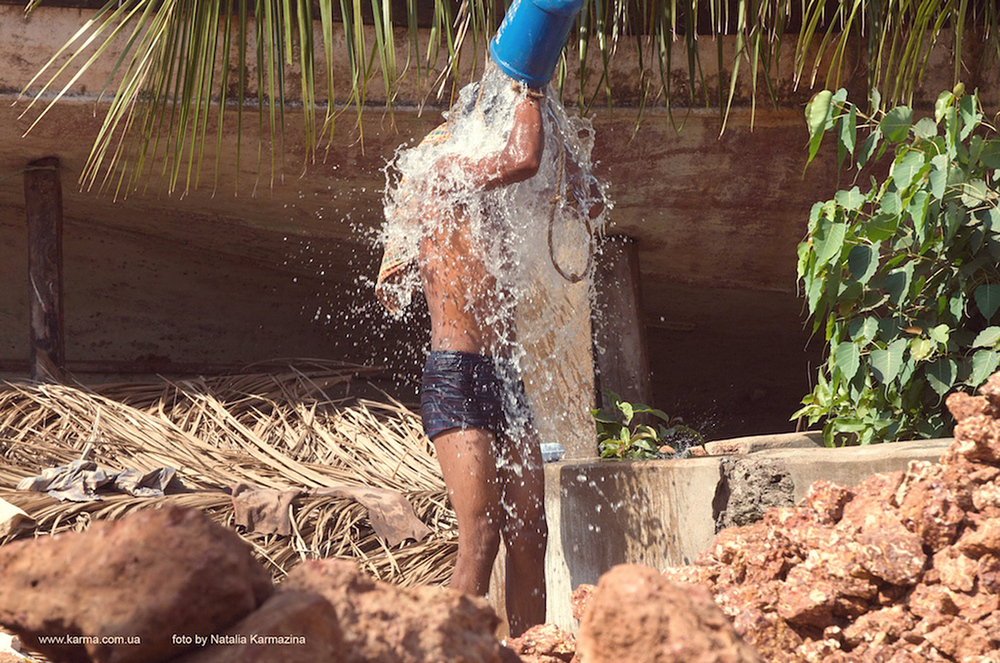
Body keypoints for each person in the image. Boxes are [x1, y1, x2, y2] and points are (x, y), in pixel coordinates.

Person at [376, 78, 549, 637]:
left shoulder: (490, 196)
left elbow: (580, 196)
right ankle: (449, 653)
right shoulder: (444, 174)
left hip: (505, 377)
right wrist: (533, 94)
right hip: (457, 375)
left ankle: (533, 651)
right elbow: (523, 158)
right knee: (482, 533)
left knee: (531, 532)